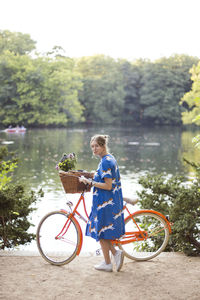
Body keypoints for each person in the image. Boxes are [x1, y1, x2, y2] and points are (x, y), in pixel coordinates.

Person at [79, 135, 125, 272]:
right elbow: (104, 176)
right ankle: (114, 256)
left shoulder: (105, 162)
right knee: (102, 233)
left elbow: (108, 185)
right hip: (105, 201)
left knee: (101, 232)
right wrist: (91, 176)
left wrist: (90, 182)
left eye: (96, 146)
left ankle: (108, 262)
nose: (94, 149)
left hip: (106, 202)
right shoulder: (108, 158)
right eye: (92, 146)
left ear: (103, 146)